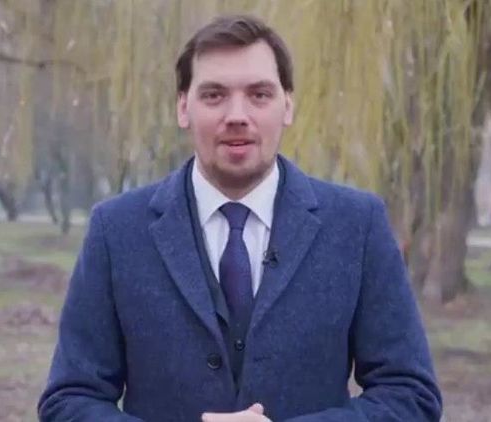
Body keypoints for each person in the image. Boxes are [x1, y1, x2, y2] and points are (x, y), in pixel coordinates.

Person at [38, 15, 442, 422]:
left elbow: (410, 395)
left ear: (288, 105)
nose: (237, 115)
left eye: (259, 94)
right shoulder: (116, 231)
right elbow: (69, 400)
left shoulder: (357, 225)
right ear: (183, 107)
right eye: (214, 95)